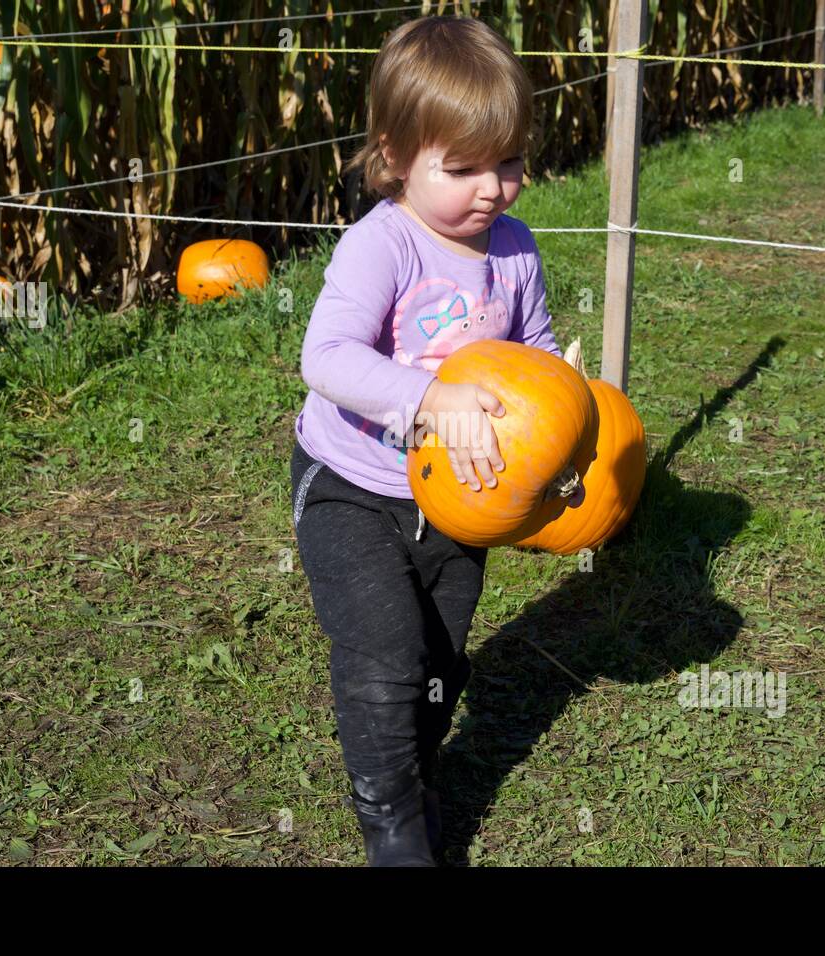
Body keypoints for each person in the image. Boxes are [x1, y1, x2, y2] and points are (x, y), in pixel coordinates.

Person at [290, 14, 580, 866]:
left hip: (464, 501)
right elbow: (327, 357)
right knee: (385, 652)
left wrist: (566, 404)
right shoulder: (380, 246)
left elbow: (533, 352)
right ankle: (390, 820)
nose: (492, 188)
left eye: (511, 162)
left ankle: (412, 771)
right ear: (395, 156)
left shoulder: (514, 251)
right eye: (463, 168)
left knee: (442, 662)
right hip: (352, 486)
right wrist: (429, 395)